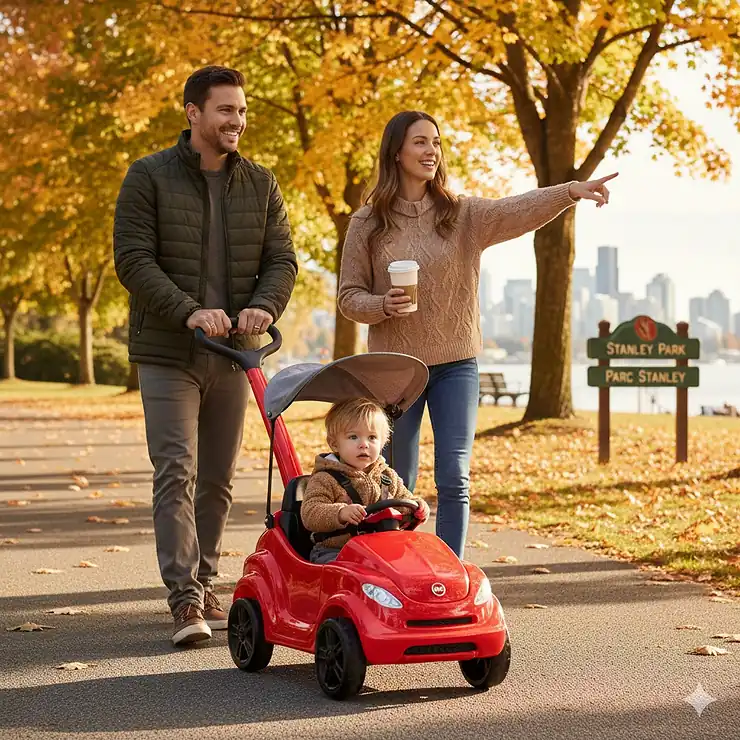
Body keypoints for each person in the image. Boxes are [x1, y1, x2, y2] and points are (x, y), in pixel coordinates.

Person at [338, 110, 616, 559]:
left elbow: (518, 209)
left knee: (454, 477)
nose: (432, 151)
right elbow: (348, 297)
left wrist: (569, 192)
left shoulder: (461, 214)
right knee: (393, 478)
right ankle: (391, 574)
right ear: (396, 151)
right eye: (421, 142)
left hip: (456, 365)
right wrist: (379, 305)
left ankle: (450, 574)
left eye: (437, 142)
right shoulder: (367, 223)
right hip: (394, 369)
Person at [113, 66, 298, 646]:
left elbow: (282, 259)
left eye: (241, 111)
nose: (236, 121)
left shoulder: (260, 182)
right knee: (176, 472)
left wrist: (264, 306)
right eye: (225, 111)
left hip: (233, 354)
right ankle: (184, 599)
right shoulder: (148, 176)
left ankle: (209, 580)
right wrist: (190, 309)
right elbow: (133, 259)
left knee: (217, 479)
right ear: (193, 113)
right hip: (171, 351)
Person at [301, 398, 430, 564]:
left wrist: (417, 507)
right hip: (336, 551)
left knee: (416, 561)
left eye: (372, 437)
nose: (364, 444)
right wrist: (340, 513)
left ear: (383, 442)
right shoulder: (325, 478)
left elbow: (405, 500)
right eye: (353, 437)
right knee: (349, 571)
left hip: (381, 548)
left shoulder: (387, 476)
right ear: (334, 444)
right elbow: (310, 513)